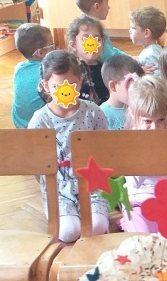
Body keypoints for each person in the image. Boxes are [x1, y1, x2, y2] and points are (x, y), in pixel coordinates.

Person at [28, 50, 109, 244]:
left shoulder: (94, 113)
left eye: (71, 85)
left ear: (80, 82)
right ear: (45, 85)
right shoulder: (40, 120)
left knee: (97, 227)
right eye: (57, 87)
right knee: (69, 232)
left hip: (92, 185)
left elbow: (105, 151)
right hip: (59, 189)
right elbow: (35, 164)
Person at [121, 75, 167, 233]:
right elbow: (135, 184)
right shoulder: (129, 141)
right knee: (144, 236)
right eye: (147, 121)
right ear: (133, 114)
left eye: (161, 120)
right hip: (138, 201)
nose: (155, 127)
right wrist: (148, 150)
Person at [12, 23, 54, 129]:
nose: (54, 48)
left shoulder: (18, 68)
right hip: (38, 126)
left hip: (18, 122)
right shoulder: (47, 72)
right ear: (40, 52)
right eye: (52, 46)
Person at [67, 15, 108, 104]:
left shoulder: (106, 69)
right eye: (85, 39)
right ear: (73, 45)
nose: (92, 43)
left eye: (97, 39)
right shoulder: (68, 71)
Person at [99, 54, 144, 130]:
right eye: (131, 84)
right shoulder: (101, 114)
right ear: (113, 86)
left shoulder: (141, 107)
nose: (137, 90)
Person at [129, 6, 165, 73]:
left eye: (133, 28)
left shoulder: (149, 55)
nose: (129, 31)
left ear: (146, 33)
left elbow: (156, 78)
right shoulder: (155, 49)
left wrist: (139, 72)